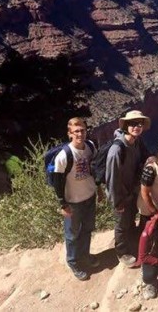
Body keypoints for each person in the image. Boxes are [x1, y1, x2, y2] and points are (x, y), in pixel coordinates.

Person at [52, 117, 100, 281]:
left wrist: (98, 189)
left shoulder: (90, 147)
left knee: (87, 229)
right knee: (72, 234)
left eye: (83, 130)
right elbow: (57, 181)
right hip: (73, 201)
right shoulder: (63, 156)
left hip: (89, 196)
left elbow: (95, 171)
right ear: (69, 133)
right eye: (76, 131)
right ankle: (73, 262)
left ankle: (85, 256)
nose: (80, 134)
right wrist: (62, 204)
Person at [106, 110, 151, 267]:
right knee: (121, 223)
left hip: (132, 191)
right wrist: (117, 201)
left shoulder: (137, 142)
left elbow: (147, 156)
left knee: (130, 219)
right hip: (121, 195)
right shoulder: (117, 150)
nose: (137, 126)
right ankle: (122, 252)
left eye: (140, 123)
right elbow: (111, 179)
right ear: (125, 125)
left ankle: (130, 241)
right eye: (132, 123)